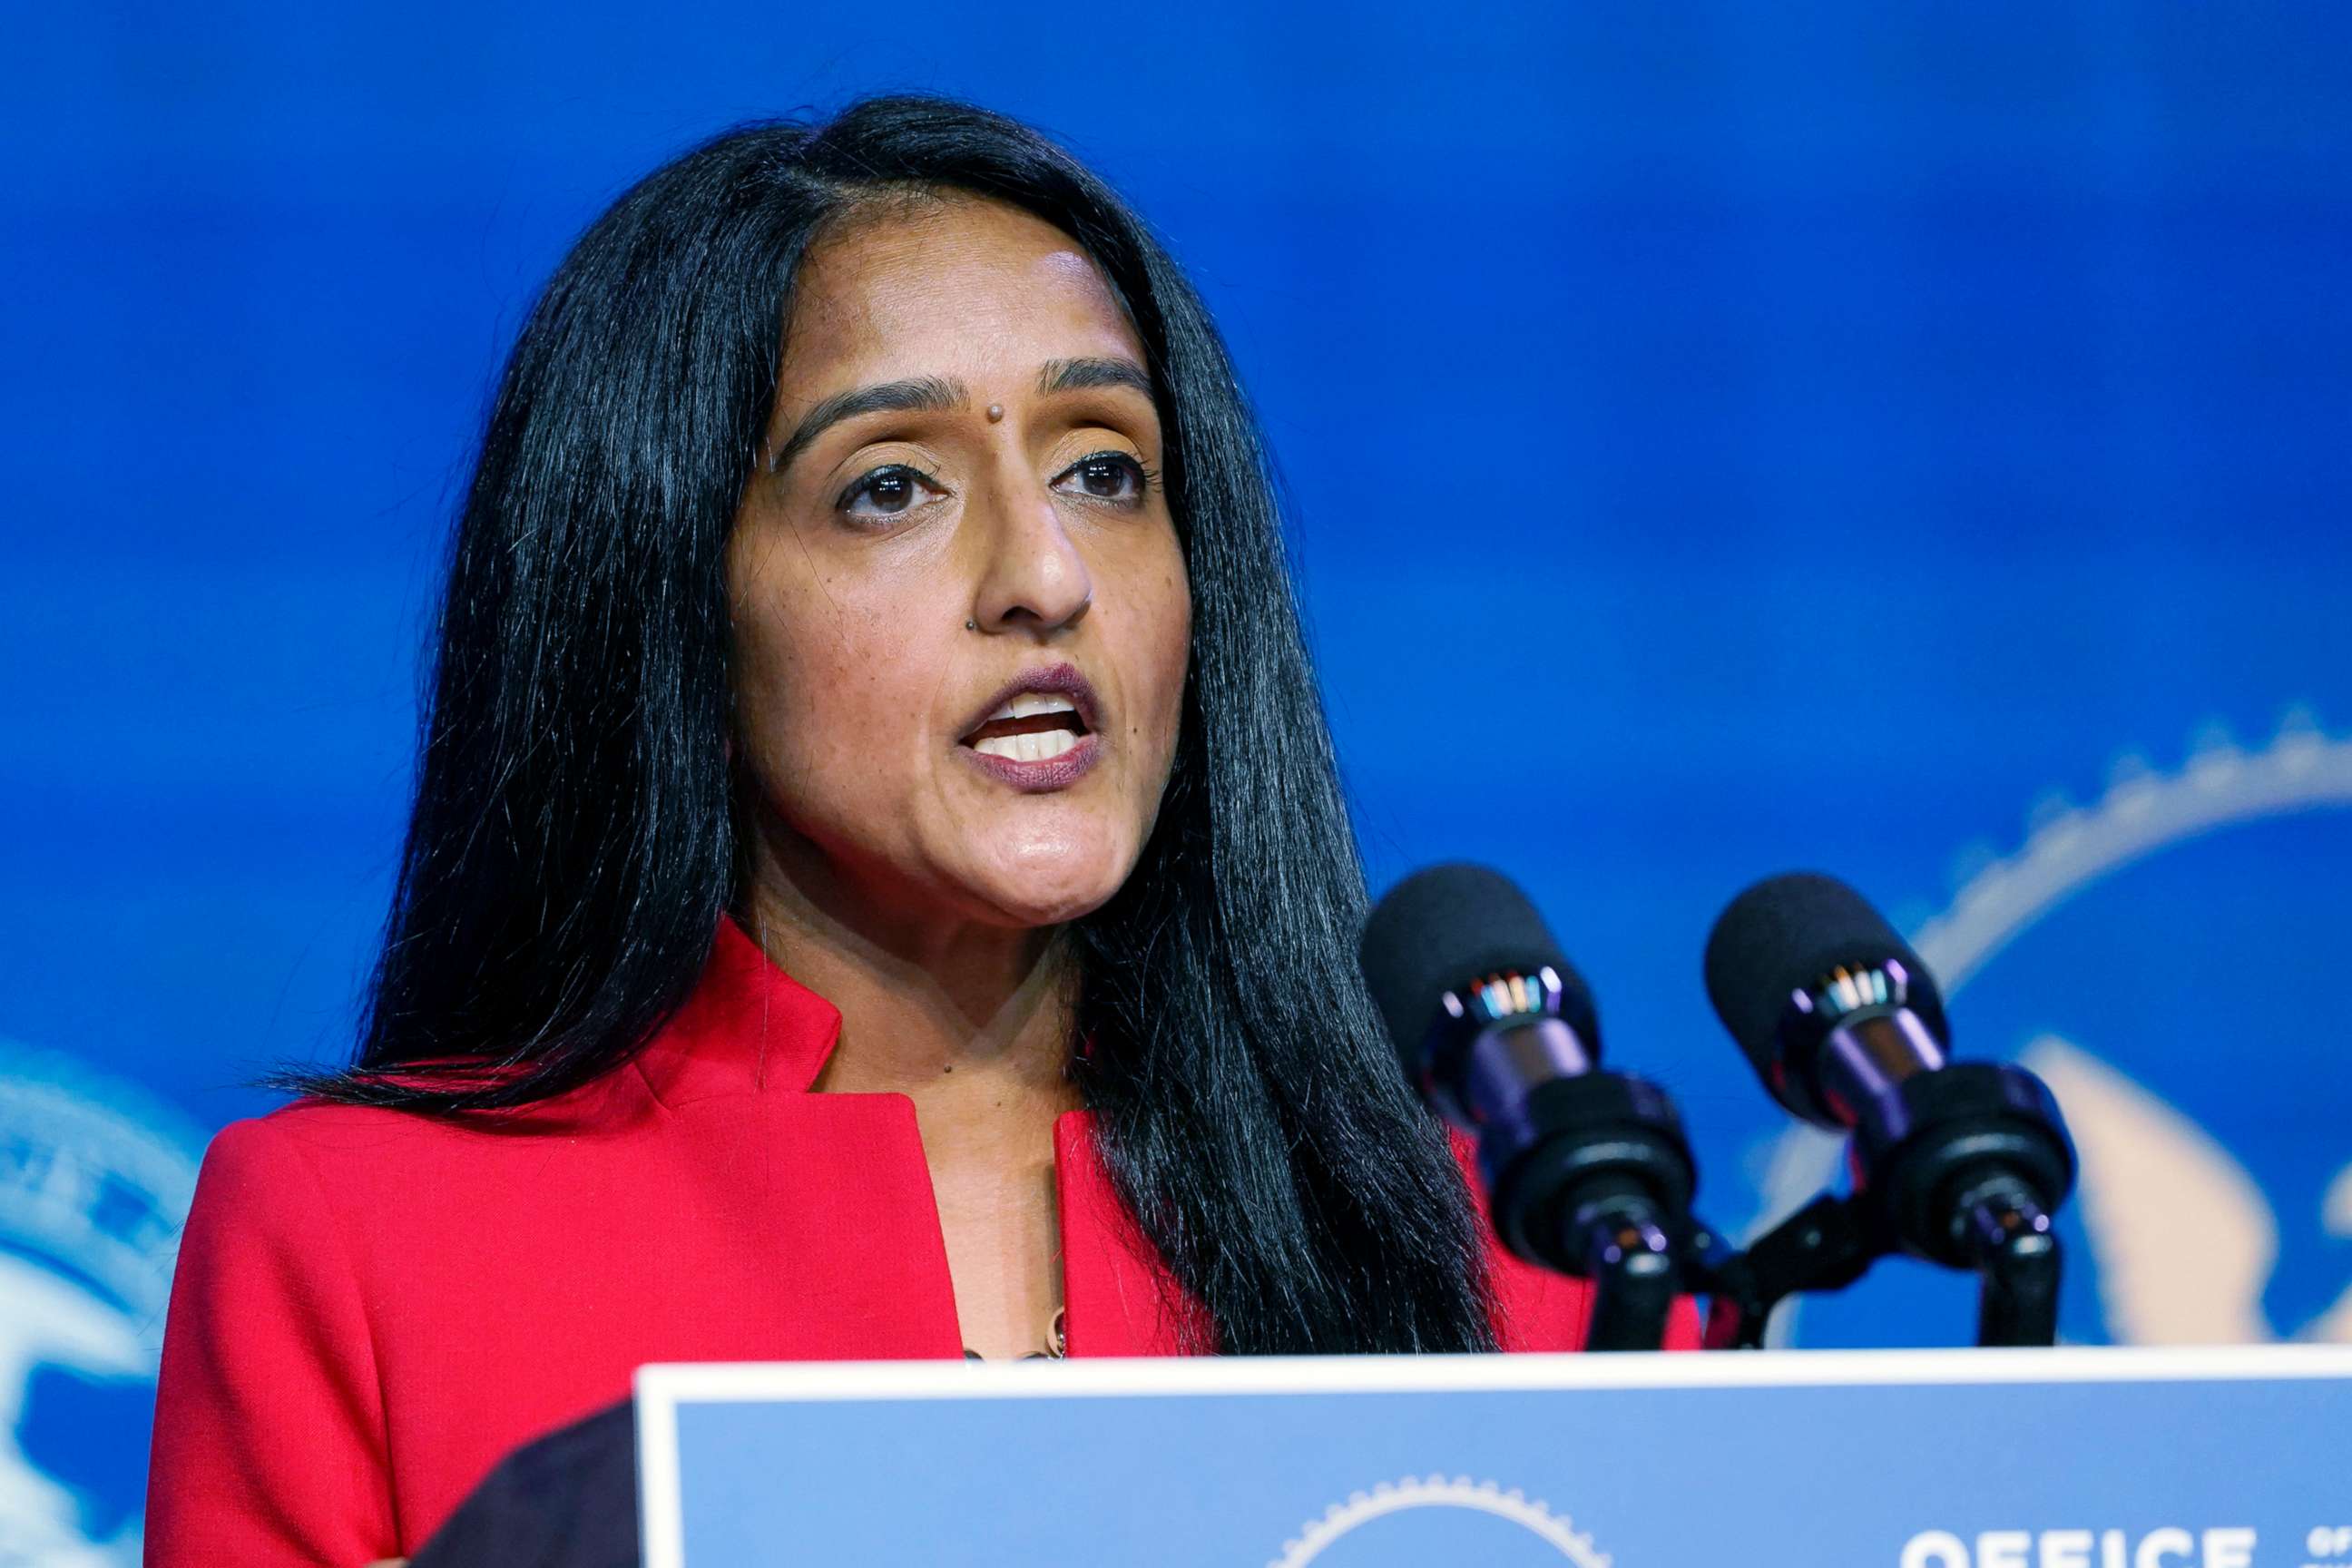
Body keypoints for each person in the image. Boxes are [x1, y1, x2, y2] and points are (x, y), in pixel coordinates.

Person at [143, 94, 1693, 1567]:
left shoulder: (1541, 1274)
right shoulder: (366, 1246)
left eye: (1106, 471)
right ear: (672, 601)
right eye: (891, 488)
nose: (1045, 572)